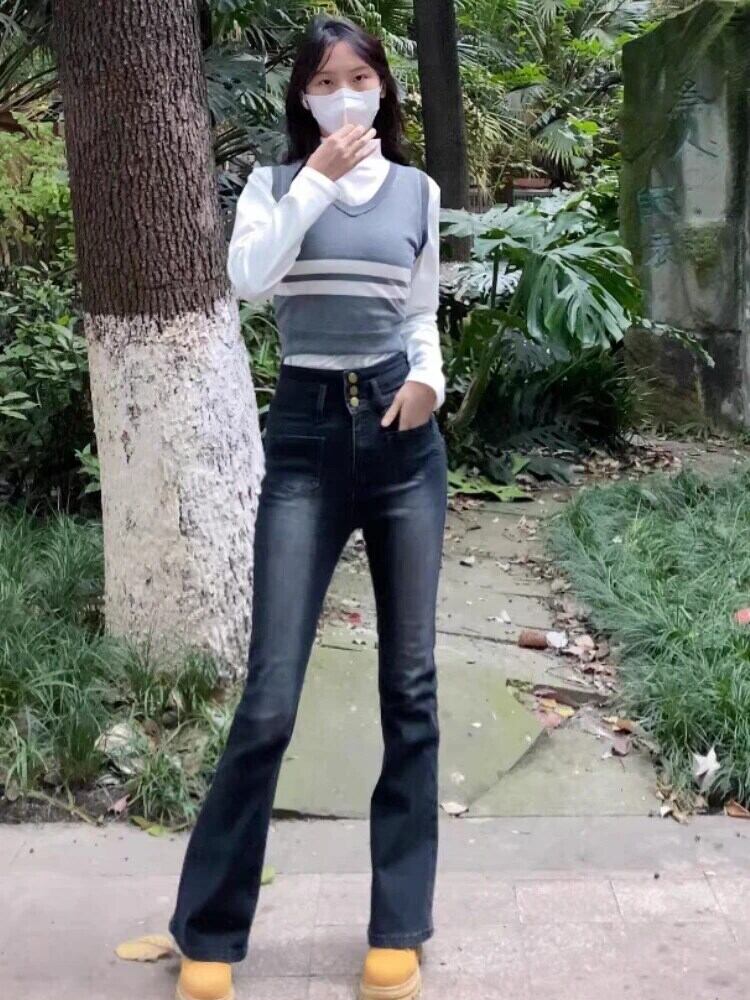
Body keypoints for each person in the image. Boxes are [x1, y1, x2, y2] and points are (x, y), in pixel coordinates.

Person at [169, 14, 447, 1000]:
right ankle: (209, 928)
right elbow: (249, 280)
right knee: (271, 695)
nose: (343, 95)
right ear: (302, 96)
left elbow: (419, 311)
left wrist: (430, 382)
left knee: (410, 687)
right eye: (324, 81)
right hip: (305, 440)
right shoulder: (274, 186)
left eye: (358, 77)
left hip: (403, 440)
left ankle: (400, 924)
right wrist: (318, 179)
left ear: (384, 89)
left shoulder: (418, 191)